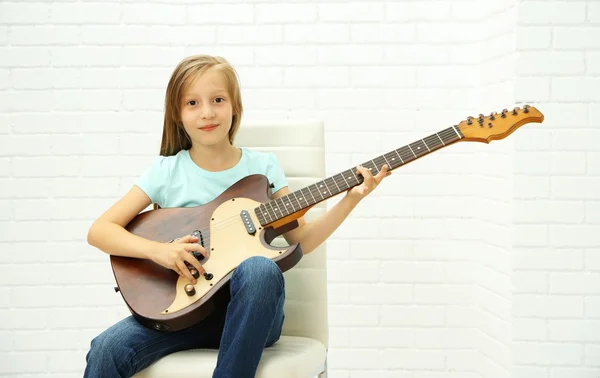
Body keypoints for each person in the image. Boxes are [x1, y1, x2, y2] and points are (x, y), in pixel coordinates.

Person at [83, 54, 390, 378]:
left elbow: (302, 240)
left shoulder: (262, 168)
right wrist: (160, 251)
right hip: (186, 313)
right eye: (192, 103)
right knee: (107, 348)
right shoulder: (166, 171)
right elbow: (100, 231)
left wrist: (350, 200)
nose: (207, 112)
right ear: (177, 113)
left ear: (234, 106)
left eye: (218, 99)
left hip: (255, 314)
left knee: (260, 269)